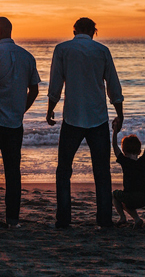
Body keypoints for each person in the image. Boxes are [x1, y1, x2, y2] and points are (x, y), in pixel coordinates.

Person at [47, 17, 124, 229]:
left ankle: (63, 219)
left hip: (72, 117)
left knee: (64, 170)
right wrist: (120, 113)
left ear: (74, 30)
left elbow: (56, 83)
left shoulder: (62, 49)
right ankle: (104, 220)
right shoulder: (102, 51)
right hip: (97, 117)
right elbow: (113, 85)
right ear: (93, 31)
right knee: (102, 171)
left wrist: (50, 108)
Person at [0, 16, 40, 228]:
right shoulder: (27, 56)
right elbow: (34, 90)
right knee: (13, 173)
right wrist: (21, 109)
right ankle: (12, 220)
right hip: (15, 122)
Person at [111, 129, 145, 229]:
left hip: (131, 197)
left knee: (114, 195)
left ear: (124, 151)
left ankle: (122, 217)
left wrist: (115, 131)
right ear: (139, 151)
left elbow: (114, 146)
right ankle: (137, 220)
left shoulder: (124, 162)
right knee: (125, 202)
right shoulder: (144, 161)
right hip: (144, 198)